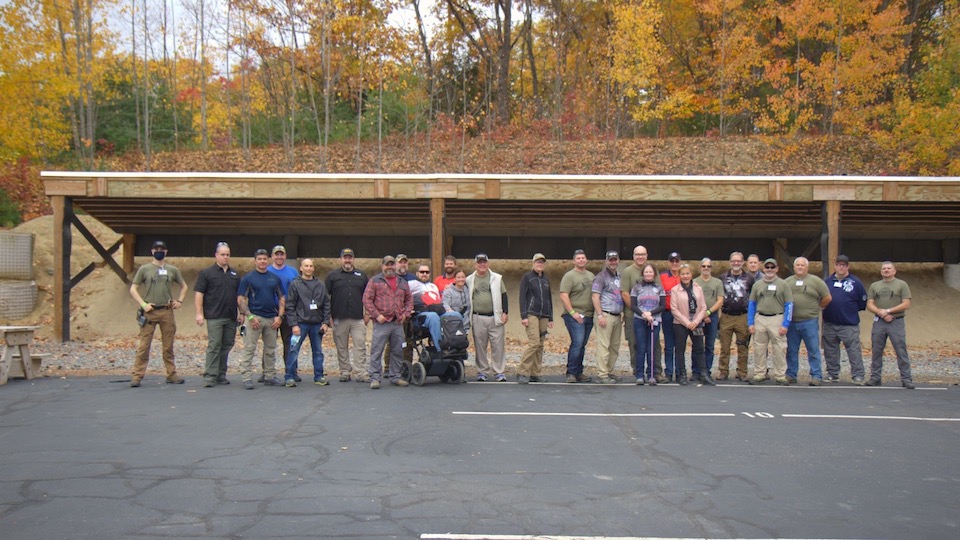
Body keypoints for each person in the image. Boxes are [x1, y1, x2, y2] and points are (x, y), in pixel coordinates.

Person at [128, 240, 188, 387]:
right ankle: (137, 376)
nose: (159, 251)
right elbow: (133, 289)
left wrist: (179, 301)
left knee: (168, 345)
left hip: (167, 311)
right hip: (150, 311)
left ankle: (171, 374)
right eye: (156, 249)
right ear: (152, 251)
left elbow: (184, 286)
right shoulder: (145, 269)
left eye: (162, 249)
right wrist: (143, 304)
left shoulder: (172, 270)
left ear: (166, 252)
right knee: (144, 345)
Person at [194, 241, 241, 387]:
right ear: (216, 255)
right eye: (222, 255)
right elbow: (199, 293)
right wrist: (199, 313)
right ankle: (210, 376)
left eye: (227, 255)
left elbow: (239, 296)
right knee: (214, 345)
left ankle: (221, 374)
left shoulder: (234, 274)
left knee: (226, 345)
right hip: (214, 316)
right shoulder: (207, 273)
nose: (225, 257)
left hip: (231, 316)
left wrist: (241, 313)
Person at [363, 255, 414, 389]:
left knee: (397, 350)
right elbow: (367, 299)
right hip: (382, 323)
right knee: (377, 351)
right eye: (387, 264)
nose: (389, 267)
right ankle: (375, 378)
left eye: (392, 264)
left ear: (395, 266)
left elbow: (409, 300)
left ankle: (395, 376)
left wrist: (405, 314)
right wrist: (377, 315)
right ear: (382, 266)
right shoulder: (375, 280)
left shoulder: (402, 282)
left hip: (397, 322)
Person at [237, 248, 285, 389]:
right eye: (260, 259)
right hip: (255, 318)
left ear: (268, 260)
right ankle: (246, 377)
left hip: (271, 319)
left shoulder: (274, 278)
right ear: (255, 261)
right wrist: (250, 316)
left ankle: (269, 375)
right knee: (249, 348)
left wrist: (280, 316)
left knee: (270, 349)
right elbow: (240, 299)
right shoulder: (248, 278)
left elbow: (282, 298)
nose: (262, 261)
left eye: (265, 259)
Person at [866, 261, 915, 389]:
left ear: (894, 271)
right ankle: (875, 378)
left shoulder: (902, 285)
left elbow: (906, 304)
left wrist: (888, 311)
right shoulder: (874, 286)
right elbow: (870, 303)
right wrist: (880, 313)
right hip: (879, 321)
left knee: (900, 350)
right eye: (884, 268)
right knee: (876, 350)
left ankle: (906, 379)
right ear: (881, 271)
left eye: (889, 268)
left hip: (896, 321)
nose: (886, 270)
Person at [284, 258, 331, 387]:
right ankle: (289, 376)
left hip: (317, 324)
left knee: (318, 352)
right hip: (300, 324)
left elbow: (326, 304)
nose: (309, 268)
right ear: (301, 268)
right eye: (306, 266)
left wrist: (325, 322)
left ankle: (319, 376)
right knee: (293, 350)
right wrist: (294, 324)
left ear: (313, 268)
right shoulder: (295, 284)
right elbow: (290, 305)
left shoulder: (320, 285)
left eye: (311, 266)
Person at [785, 256, 832, 385]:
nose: (800, 267)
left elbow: (827, 297)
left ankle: (816, 375)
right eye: (797, 265)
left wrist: (818, 307)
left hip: (809, 321)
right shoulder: (787, 282)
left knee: (813, 349)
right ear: (794, 267)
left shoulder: (816, 281)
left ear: (807, 267)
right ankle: (791, 374)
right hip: (792, 322)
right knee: (792, 350)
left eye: (802, 265)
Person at [325, 248, 369, 382]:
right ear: (341, 259)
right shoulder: (332, 276)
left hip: (358, 318)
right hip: (338, 317)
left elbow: (368, 296)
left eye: (350, 257)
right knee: (341, 346)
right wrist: (328, 316)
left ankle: (361, 373)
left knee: (360, 345)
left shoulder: (362, 275)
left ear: (353, 259)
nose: (347, 260)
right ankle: (344, 372)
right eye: (345, 257)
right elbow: (326, 297)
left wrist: (368, 313)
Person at [822, 255, 868, 385]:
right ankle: (832, 374)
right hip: (830, 323)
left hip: (849, 325)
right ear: (835, 266)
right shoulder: (827, 282)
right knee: (830, 351)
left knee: (853, 350)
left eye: (844, 265)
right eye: (839, 265)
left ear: (847, 267)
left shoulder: (855, 282)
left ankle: (858, 375)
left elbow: (862, 303)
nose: (841, 267)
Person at [747, 258, 793, 385]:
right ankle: (759, 374)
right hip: (760, 318)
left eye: (772, 267)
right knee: (759, 348)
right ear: (764, 269)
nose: (769, 270)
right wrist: (750, 322)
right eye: (767, 267)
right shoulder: (757, 285)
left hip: (777, 318)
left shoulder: (783, 285)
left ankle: (780, 375)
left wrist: (785, 323)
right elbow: (752, 304)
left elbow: (789, 305)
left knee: (779, 348)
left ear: (777, 269)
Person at [620, 245, 663, 381]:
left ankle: (655, 372)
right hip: (634, 315)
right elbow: (625, 294)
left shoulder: (653, 270)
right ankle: (637, 371)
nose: (640, 257)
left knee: (654, 345)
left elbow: (659, 295)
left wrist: (650, 314)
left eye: (643, 254)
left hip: (653, 316)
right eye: (637, 254)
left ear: (646, 255)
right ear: (633, 256)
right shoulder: (628, 272)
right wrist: (640, 312)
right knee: (636, 344)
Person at [467, 253, 509, 382]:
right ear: (475, 265)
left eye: (484, 262)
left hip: (495, 316)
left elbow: (504, 295)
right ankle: (482, 372)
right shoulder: (469, 279)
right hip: (478, 317)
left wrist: (505, 312)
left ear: (488, 263)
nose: (482, 264)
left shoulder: (496, 278)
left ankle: (499, 372)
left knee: (498, 346)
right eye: (479, 262)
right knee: (480, 346)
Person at [671, 263, 714, 386]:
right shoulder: (675, 290)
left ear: (691, 275)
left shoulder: (698, 288)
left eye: (687, 273)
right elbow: (674, 309)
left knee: (700, 348)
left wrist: (696, 321)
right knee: (680, 349)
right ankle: (682, 374)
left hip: (697, 323)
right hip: (680, 324)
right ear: (679, 275)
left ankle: (704, 374)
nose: (685, 276)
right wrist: (687, 322)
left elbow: (703, 307)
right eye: (683, 274)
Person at [717, 252, 755, 381]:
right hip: (726, 316)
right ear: (730, 262)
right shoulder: (722, 278)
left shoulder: (749, 278)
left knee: (743, 346)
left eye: (739, 261)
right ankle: (723, 371)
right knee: (725, 346)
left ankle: (742, 372)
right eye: (734, 261)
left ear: (743, 262)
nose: (736, 263)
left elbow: (753, 297)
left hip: (742, 316)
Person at [560, 249, 596, 383]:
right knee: (577, 343)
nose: (581, 260)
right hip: (574, 315)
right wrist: (573, 313)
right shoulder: (569, 276)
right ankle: (571, 372)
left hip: (589, 315)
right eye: (578, 258)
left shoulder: (591, 276)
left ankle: (579, 372)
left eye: (583, 258)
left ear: (586, 260)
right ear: (574, 261)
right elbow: (564, 295)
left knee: (582, 344)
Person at [517, 253, 554, 384]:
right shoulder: (527, 277)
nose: (540, 264)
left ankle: (535, 373)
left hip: (544, 315)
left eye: (542, 262)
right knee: (534, 343)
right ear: (533, 263)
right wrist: (524, 316)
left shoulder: (546, 279)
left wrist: (551, 318)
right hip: (531, 313)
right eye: (537, 262)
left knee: (540, 345)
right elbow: (522, 297)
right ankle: (522, 371)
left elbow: (549, 299)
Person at [268, 245, 300, 381]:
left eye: (282, 254)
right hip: (270, 312)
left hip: (289, 312)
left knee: (290, 343)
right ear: (272, 256)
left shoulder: (293, 272)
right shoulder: (267, 271)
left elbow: (299, 290)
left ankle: (291, 371)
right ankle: (267, 373)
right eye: (277, 254)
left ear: (285, 256)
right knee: (269, 344)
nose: (279, 257)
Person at [630, 263, 666, 385]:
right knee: (641, 347)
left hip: (654, 320)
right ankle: (639, 375)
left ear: (654, 274)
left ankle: (651, 375)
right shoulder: (636, 288)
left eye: (650, 272)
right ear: (642, 274)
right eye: (646, 272)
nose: (648, 274)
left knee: (651, 348)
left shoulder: (659, 288)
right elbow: (633, 305)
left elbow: (662, 306)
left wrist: (650, 313)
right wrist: (644, 314)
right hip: (640, 320)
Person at [592, 251, 624, 384]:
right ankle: (602, 374)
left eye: (615, 260)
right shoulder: (600, 277)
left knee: (614, 346)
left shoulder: (620, 277)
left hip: (617, 316)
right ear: (606, 261)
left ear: (618, 261)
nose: (613, 262)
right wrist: (600, 315)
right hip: (605, 314)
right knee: (604, 346)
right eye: (610, 260)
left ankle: (609, 371)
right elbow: (595, 296)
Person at [694, 257, 724, 381]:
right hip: (697, 317)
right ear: (700, 268)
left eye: (708, 266)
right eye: (704, 266)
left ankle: (706, 371)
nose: (706, 268)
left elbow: (720, 300)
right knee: (697, 344)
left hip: (712, 317)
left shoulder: (717, 283)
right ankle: (696, 371)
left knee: (710, 345)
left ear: (711, 268)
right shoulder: (694, 282)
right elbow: (692, 300)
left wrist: (708, 312)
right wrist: (702, 314)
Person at [409, 264, 444, 351]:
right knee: (433, 317)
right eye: (422, 272)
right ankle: (440, 348)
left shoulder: (433, 286)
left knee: (453, 315)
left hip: (436, 311)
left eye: (427, 272)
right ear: (417, 273)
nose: (424, 274)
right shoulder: (410, 284)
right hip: (419, 315)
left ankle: (456, 347)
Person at [660, 252, 682, 381]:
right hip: (667, 313)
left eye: (676, 261)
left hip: (681, 315)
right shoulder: (663, 276)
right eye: (672, 261)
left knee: (679, 345)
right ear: (669, 262)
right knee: (669, 344)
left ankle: (680, 372)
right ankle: (668, 372)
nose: (674, 264)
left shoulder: (684, 275)